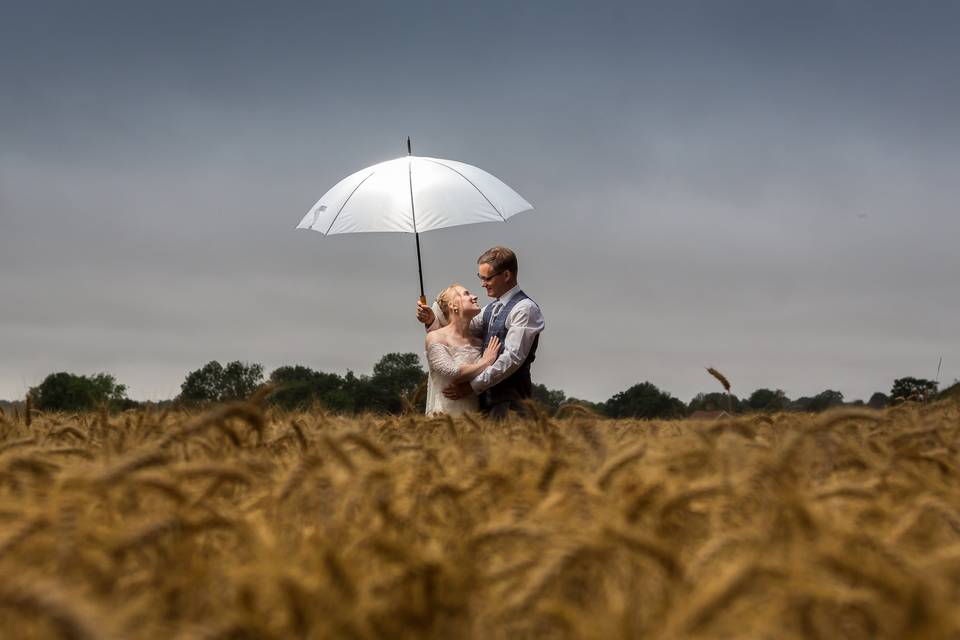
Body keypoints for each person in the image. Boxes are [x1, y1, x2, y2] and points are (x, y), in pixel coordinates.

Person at [417, 246, 545, 419]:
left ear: (506, 275)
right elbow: (458, 333)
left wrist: (472, 386)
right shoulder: (489, 310)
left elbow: (512, 359)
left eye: (487, 278)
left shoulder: (524, 309)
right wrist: (433, 319)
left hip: (510, 403)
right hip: (483, 404)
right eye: (481, 277)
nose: (482, 284)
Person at [423, 284, 501, 415]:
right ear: (453, 306)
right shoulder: (435, 337)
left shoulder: (479, 342)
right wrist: (485, 362)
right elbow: (451, 371)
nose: (474, 296)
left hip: (474, 421)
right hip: (443, 420)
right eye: (466, 294)